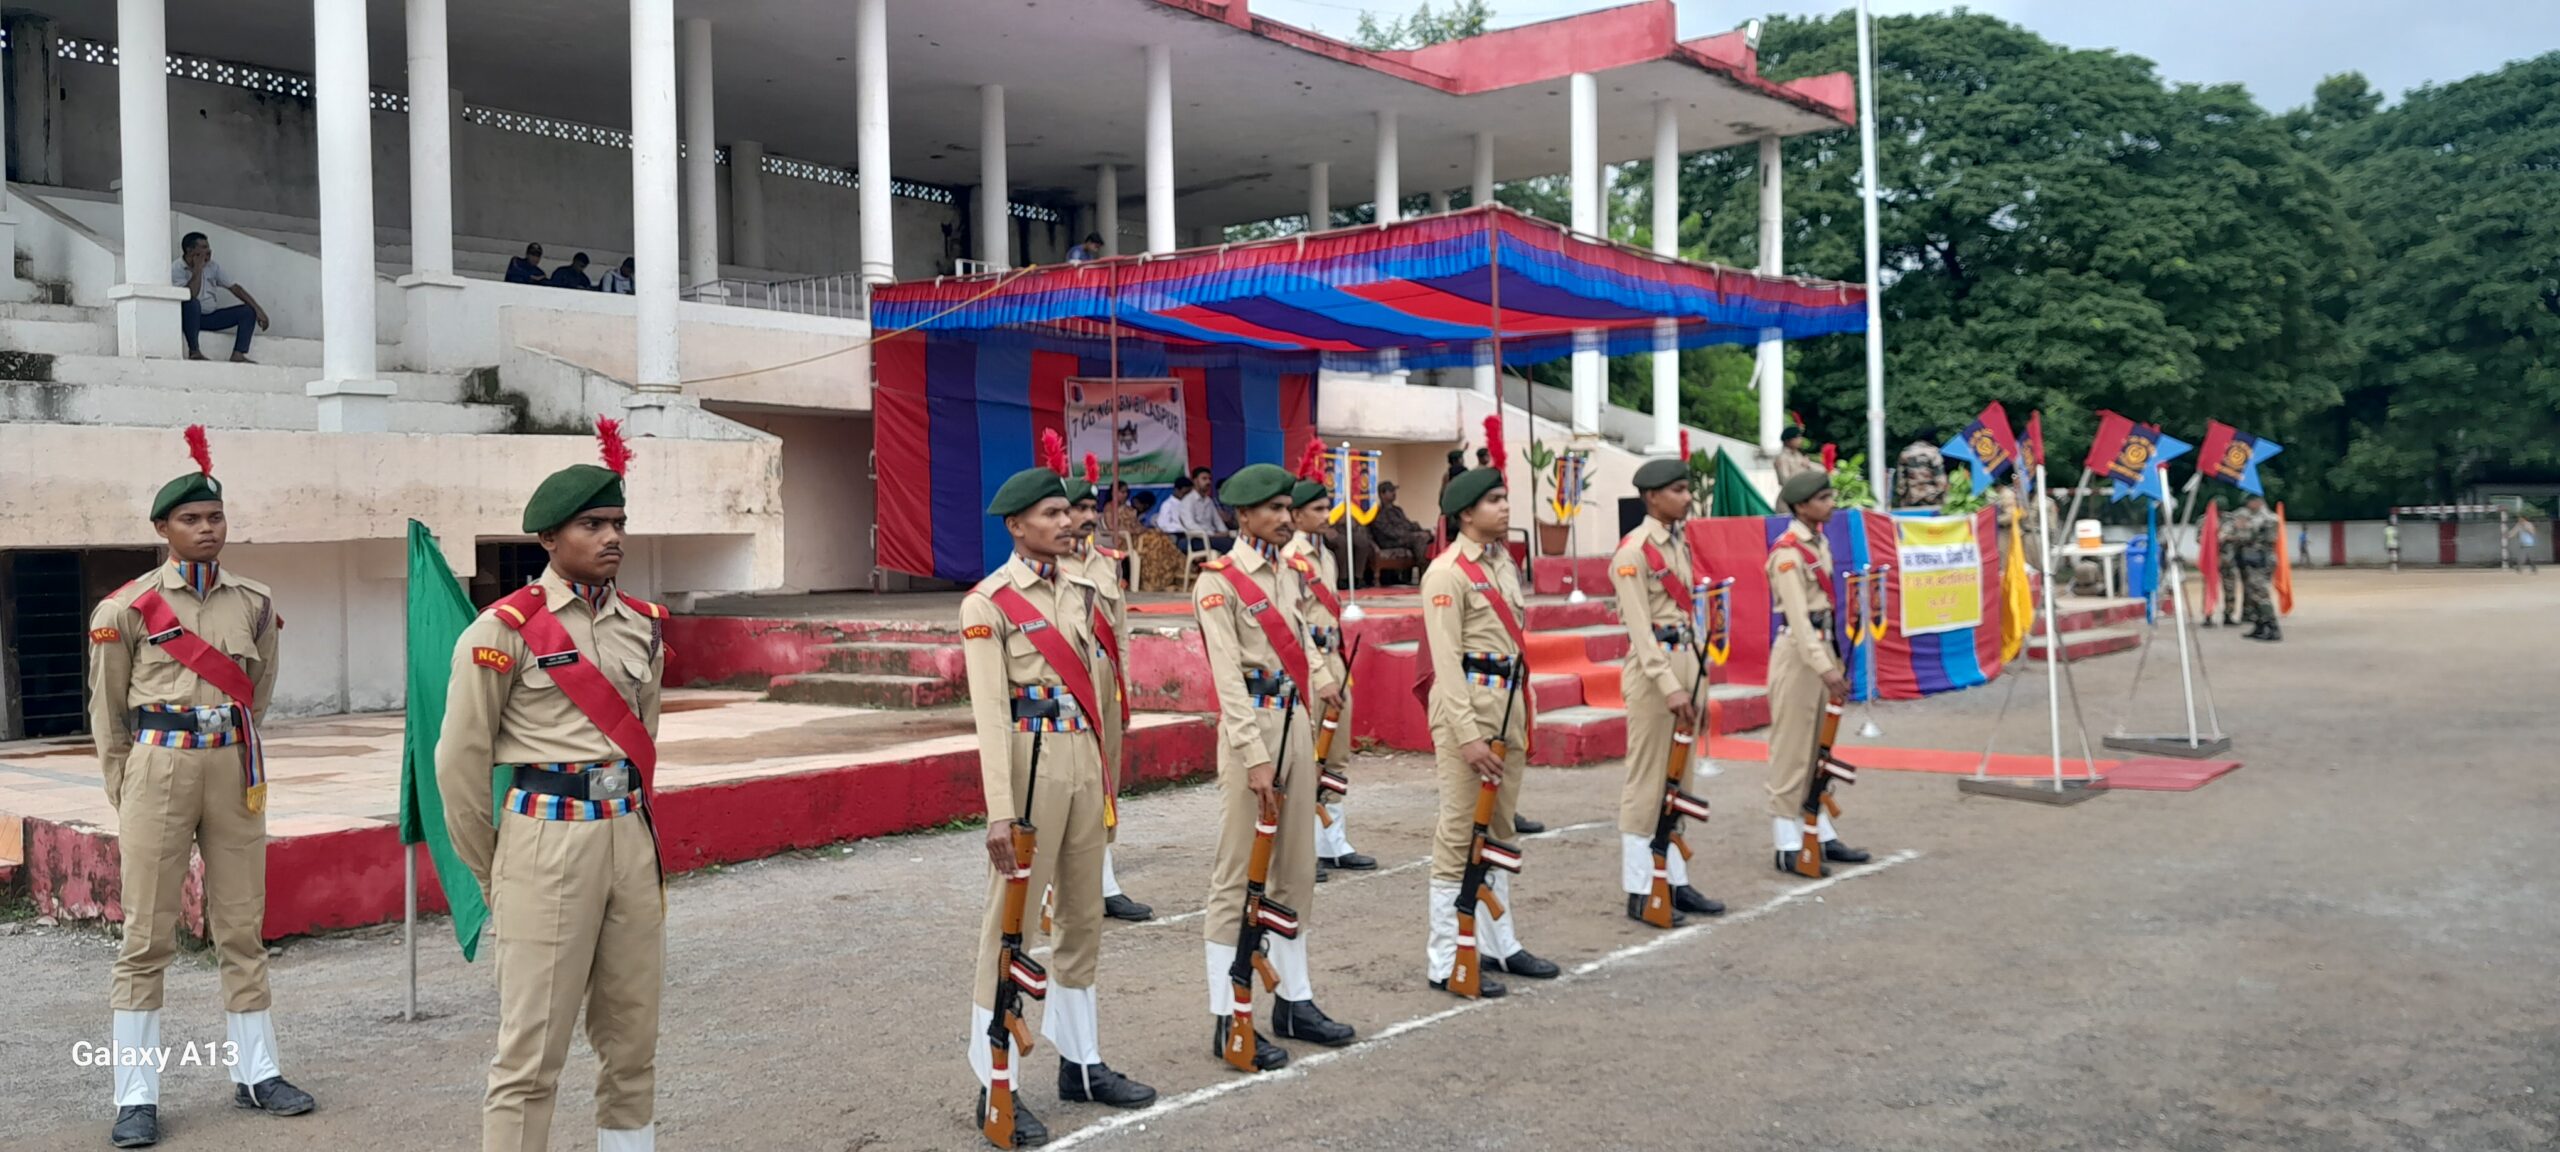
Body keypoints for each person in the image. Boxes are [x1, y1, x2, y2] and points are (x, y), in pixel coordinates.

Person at [436, 423, 667, 1152]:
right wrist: (495, 867)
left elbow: (644, 743)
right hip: (544, 839)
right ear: (549, 538)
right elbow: (460, 762)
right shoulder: (501, 631)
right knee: (531, 1055)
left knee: (633, 1041)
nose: (611, 538)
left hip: (628, 836)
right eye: (592, 525)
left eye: (618, 524)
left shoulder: (644, 627)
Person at [87, 428, 314, 1148]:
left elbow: (261, 689)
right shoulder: (125, 607)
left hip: (232, 766)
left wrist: (232, 745)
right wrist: (127, 785)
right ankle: (136, 1096)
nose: (207, 529)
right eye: (191, 520)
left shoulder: (253, 601)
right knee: (146, 935)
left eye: (215, 517)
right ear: (163, 530)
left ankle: (257, 1073)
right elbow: (106, 712)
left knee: (242, 924)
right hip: (158, 766)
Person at [959, 464, 1156, 1147]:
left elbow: (1104, 694)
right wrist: (999, 811)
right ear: (1016, 526)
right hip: (1030, 764)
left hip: (1081, 764)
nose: (1068, 522)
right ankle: (994, 1079)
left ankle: (1082, 1062)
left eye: (1067, 513)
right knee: (1007, 930)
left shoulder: (1084, 590)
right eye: (1051, 514)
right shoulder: (987, 603)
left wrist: (1109, 780)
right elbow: (988, 714)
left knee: (1081, 920)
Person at [1195, 462, 1357, 1069]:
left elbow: (1302, 641)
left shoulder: (1290, 572)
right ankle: (1227, 1016)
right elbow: (1228, 680)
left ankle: (1294, 1000)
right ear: (1244, 515)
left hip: (1295, 721)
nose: (1288, 518)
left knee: (1295, 868)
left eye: (1290, 507)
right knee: (1238, 875)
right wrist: (1253, 757)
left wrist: (1325, 682)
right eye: (1275, 509)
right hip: (1254, 732)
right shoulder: (1220, 582)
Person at [1419, 450, 1559, 998]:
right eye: (1494, 501)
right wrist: (1468, 734)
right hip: (1470, 711)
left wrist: (1526, 705)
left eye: (1504, 499)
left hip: (1507, 703)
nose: (1505, 508)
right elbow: (1445, 662)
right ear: (1465, 513)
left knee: (1498, 830)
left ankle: (1500, 943)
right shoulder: (1447, 573)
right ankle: (1446, 956)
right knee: (1459, 833)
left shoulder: (1503, 563)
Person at [1608, 458, 1724, 927]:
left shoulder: (1678, 543)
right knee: (1648, 782)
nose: (1686, 496)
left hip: (1685, 662)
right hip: (1655, 671)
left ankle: (1674, 879)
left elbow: (1688, 618)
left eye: (1686, 488)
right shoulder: (1634, 552)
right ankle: (1639, 887)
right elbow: (1640, 630)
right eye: (1677, 490)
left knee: (1680, 781)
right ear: (1652, 497)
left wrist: (1696, 678)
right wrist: (1671, 686)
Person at [1764, 470, 1869, 875]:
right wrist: (1826, 667)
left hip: (1822, 646)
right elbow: (1797, 618)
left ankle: (1819, 831)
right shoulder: (1788, 554)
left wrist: (1833, 659)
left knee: (1818, 750)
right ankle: (1786, 842)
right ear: (1802, 506)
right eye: (1823, 498)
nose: (1831, 504)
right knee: (1791, 748)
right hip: (1799, 653)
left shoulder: (1818, 542)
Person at [1062, 458, 1153, 924]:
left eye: (1088, 506)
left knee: (1106, 780)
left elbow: (1117, 632)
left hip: (1105, 687)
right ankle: (1062, 885)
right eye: (1074, 507)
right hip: (1067, 691)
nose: (1084, 515)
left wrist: (1123, 687)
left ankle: (1105, 880)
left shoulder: (1104, 563)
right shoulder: (1048, 565)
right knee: (1070, 786)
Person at [1283, 469, 1376, 880]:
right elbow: (1295, 625)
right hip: (1308, 666)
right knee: (1307, 757)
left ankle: (1333, 842)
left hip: (1335, 658)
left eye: (1326, 507)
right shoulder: (1289, 560)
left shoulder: (1328, 556)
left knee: (1336, 754)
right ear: (1297, 515)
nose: (1327, 515)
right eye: (1318, 509)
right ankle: (1303, 847)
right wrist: (1319, 672)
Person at [171, 232, 269, 363]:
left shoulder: (213, 266)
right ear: (190, 250)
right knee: (192, 303)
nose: (209, 251)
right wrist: (198, 269)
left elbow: (235, 288)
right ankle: (194, 351)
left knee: (247, 311)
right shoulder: (176, 268)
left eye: (208, 247)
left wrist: (258, 309)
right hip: (189, 318)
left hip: (210, 317)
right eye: (204, 247)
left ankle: (238, 354)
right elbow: (190, 295)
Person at [1361, 480, 1431, 584]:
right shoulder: (1377, 512)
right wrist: (1409, 533)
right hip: (1389, 542)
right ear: (1382, 494)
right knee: (1420, 538)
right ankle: (1424, 572)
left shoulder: (1397, 510)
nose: (1394, 493)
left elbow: (1407, 523)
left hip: (1404, 538)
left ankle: (1431, 569)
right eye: (1391, 491)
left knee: (1429, 535)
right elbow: (1387, 531)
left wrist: (1417, 528)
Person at [2236, 494, 2281, 641]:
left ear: (2257, 502)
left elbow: (2250, 535)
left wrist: (2243, 527)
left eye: (2250, 502)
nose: (2248, 505)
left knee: (2261, 594)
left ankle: (2273, 627)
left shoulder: (2268, 518)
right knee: (2252, 594)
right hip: (2252, 559)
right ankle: (2260, 625)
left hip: (2262, 560)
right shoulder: (2254, 517)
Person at [2210, 499, 2243, 628]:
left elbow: (2241, 536)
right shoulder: (2205, 520)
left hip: (2228, 560)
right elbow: (2199, 538)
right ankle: (2208, 614)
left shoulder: (2232, 520)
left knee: (2230, 588)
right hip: (2212, 561)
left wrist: (2228, 538)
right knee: (2209, 589)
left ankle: (2228, 615)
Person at [1895, 435, 1947, 510]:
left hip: (1912, 496)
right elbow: (1941, 479)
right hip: (1931, 497)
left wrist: (1902, 495)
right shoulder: (1933, 452)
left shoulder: (1905, 452)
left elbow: (1901, 479)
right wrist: (1941, 493)